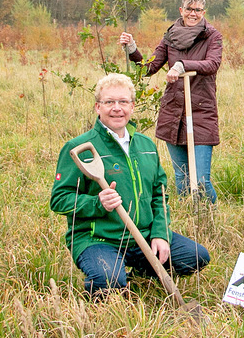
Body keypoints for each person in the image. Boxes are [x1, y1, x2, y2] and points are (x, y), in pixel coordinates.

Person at [50, 73, 210, 296]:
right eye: (109, 102)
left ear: (132, 106)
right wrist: (97, 203)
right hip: (98, 239)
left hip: (142, 236)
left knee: (196, 257)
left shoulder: (146, 146)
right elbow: (59, 200)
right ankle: (108, 278)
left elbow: (159, 195)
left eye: (123, 102)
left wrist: (160, 234)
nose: (117, 108)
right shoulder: (79, 147)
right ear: (98, 107)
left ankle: (138, 273)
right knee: (109, 280)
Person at [118, 0, 222, 204]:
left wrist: (183, 65)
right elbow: (150, 67)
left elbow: (212, 64)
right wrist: (132, 49)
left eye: (198, 10)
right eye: (189, 9)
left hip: (201, 112)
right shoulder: (170, 36)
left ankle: (209, 221)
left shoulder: (212, 36)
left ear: (204, 12)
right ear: (181, 10)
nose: (193, 14)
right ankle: (187, 222)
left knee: (201, 180)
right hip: (173, 113)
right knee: (182, 178)